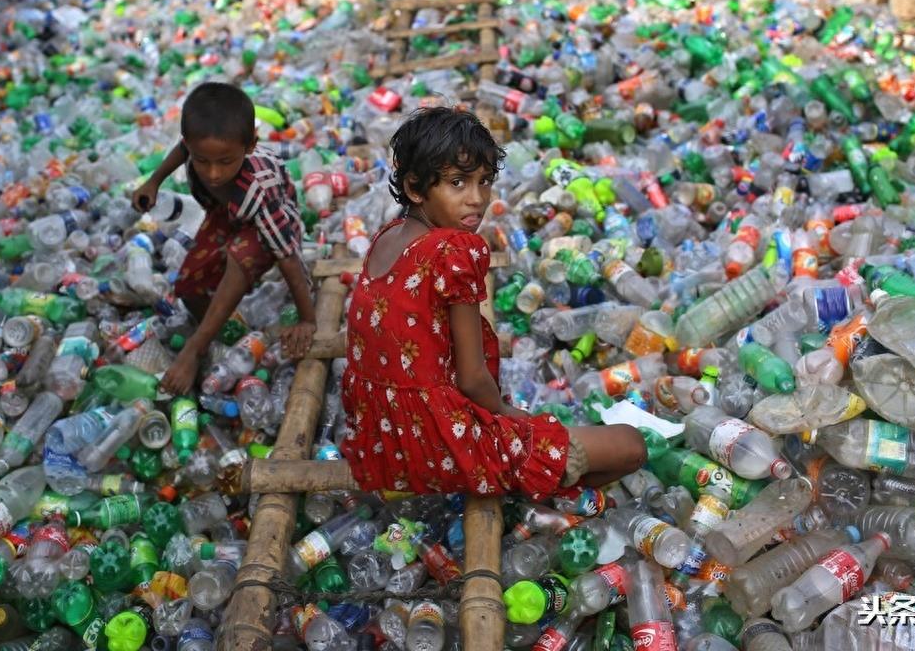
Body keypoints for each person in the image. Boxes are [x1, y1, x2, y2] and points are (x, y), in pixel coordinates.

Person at [338, 106, 648, 500]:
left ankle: (524, 477)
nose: (477, 199)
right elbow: (472, 379)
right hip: (439, 442)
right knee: (631, 444)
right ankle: (529, 487)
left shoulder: (387, 236)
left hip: (383, 440)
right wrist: (516, 420)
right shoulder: (453, 249)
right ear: (416, 188)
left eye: (484, 182)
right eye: (457, 183)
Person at [132, 82, 316, 394]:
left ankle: (195, 348)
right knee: (189, 284)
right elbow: (181, 150)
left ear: (250, 145)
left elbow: (286, 256)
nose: (213, 173)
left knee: (240, 257)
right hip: (226, 214)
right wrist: (154, 181)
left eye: (225, 161)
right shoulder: (201, 149)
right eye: (202, 161)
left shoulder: (260, 188)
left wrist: (307, 319)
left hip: (271, 222)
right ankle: (224, 330)